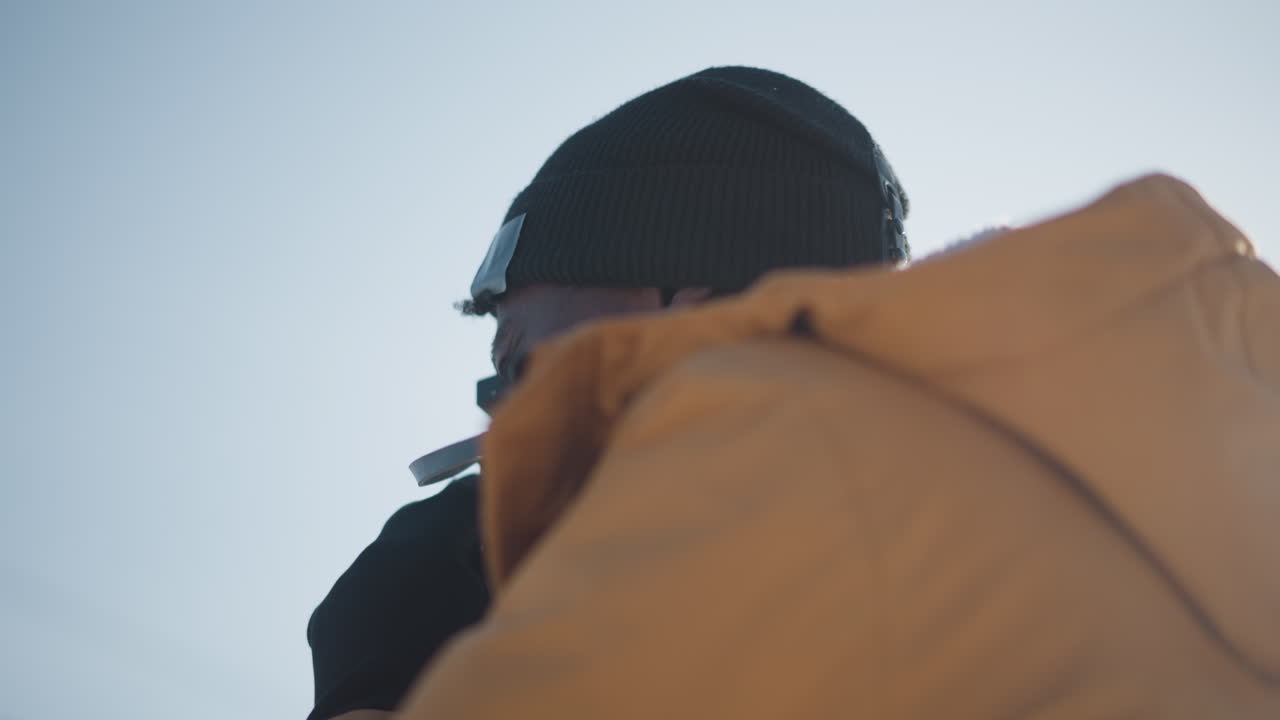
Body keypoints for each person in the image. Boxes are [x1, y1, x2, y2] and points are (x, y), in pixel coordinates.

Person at [395, 173, 1280, 718]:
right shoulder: (1174, 452)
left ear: (678, 299)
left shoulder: (775, 448)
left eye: (516, 366)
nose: (499, 424)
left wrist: (384, 679)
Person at [306, 65, 910, 720]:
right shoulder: (961, 553)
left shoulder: (705, 632)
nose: (500, 425)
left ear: (694, 319)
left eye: (524, 369)